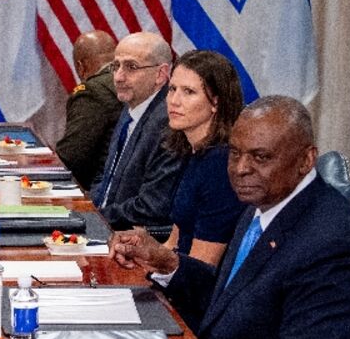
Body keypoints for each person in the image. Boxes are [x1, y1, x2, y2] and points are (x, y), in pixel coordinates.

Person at [111, 96, 350, 339]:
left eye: (260, 157)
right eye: (235, 154)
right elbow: (235, 299)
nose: (241, 169)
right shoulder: (267, 203)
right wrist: (170, 264)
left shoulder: (331, 241)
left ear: (306, 160)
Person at [159, 50, 245, 265]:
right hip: (177, 273)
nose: (174, 101)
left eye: (188, 92)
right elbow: (173, 242)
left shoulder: (221, 165)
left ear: (216, 102)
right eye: (172, 89)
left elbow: (202, 265)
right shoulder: (194, 152)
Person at [90, 31, 182, 232]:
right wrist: (88, 208)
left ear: (160, 74)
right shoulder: (132, 105)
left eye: (131, 67)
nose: (119, 77)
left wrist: (93, 217)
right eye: (116, 66)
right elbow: (105, 175)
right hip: (105, 225)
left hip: (130, 236)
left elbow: (152, 207)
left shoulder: (168, 123)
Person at [55, 30, 120, 190]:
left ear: (81, 66)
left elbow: (71, 157)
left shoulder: (92, 91)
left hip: (99, 190)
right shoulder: (129, 83)